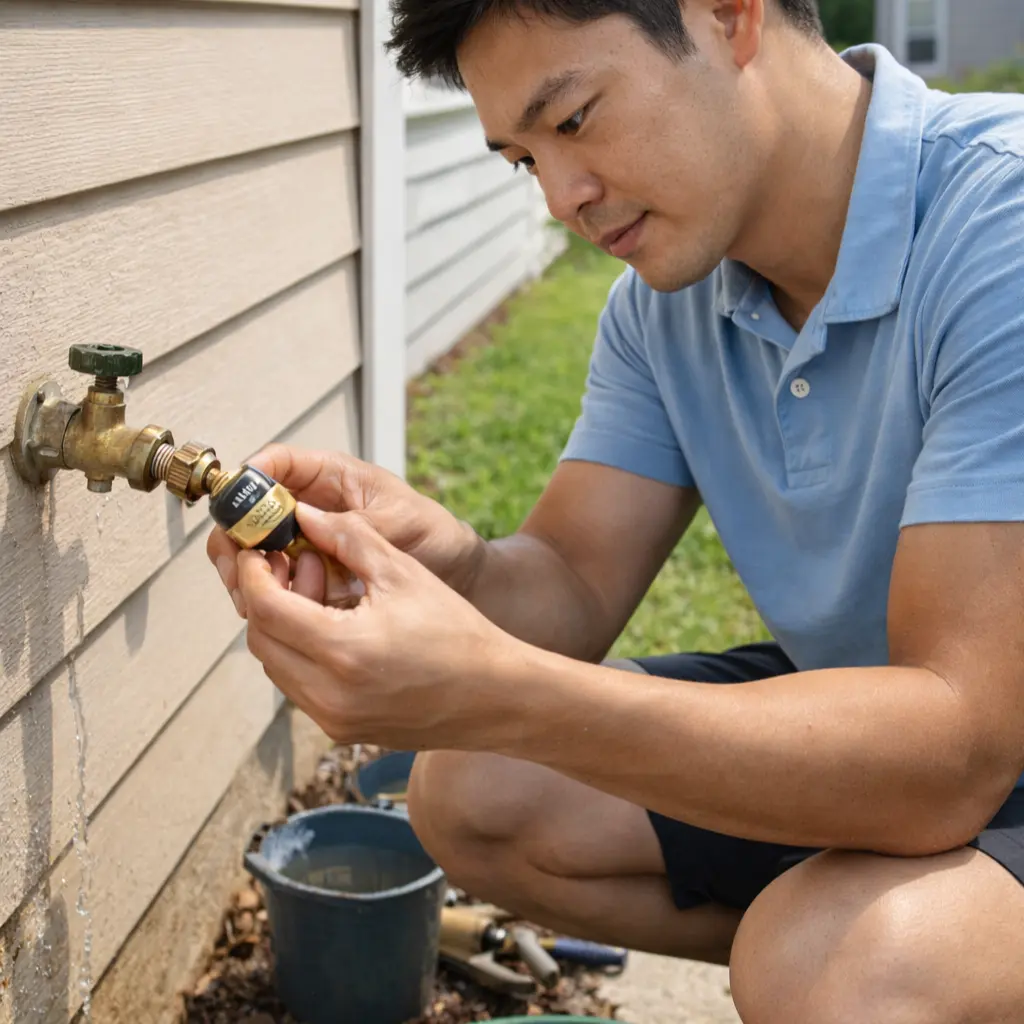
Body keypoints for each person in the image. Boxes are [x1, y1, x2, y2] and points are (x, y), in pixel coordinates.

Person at [209, 0, 1024, 1018]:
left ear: (728, 17)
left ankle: (868, 963)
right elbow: (572, 580)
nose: (561, 197)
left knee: (842, 966)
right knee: (476, 793)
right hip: (897, 723)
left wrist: (497, 686)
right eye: (522, 159)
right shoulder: (665, 305)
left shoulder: (1002, 224)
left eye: (576, 120)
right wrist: (447, 566)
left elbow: (956, 752)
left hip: (973, 736)